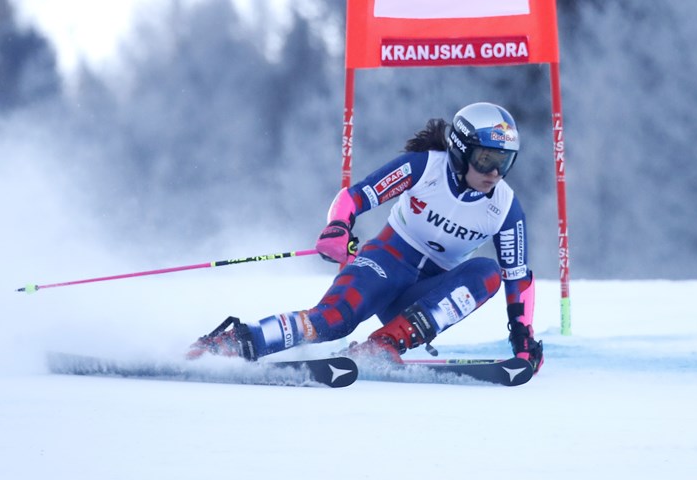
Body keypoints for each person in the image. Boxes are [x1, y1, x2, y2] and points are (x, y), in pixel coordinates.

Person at [188, 102, 543, 372]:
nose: (495, 172)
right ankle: (235, 342)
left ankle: (383, 344)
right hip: (387, 261)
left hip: (424, 298)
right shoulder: (425, 167)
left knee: (488, 273)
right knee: (332, 321)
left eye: (505, 162)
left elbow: (518, 278)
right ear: (461, 151)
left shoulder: (505, 207)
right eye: (485, 160)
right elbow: (354, 197)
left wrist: (522, 335)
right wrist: (338, 227)